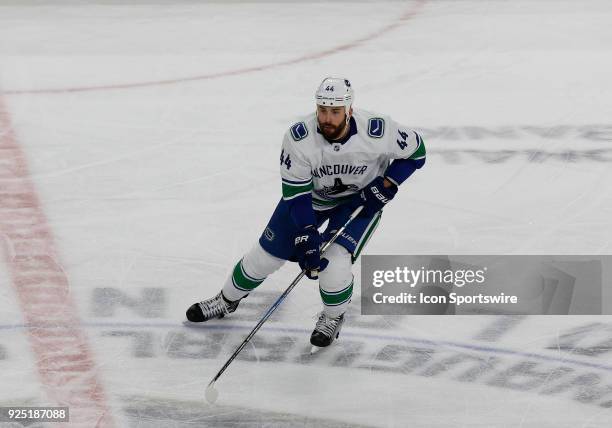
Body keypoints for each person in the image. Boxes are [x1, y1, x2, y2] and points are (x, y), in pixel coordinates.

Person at [186, 77, 426, 348]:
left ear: (349, 109)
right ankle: (226, 300)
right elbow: (297, 194)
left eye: (335, 112)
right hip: (311, 201)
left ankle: (333, 317)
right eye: (322, 110)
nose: (327, 118)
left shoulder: (378, 131)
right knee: (263, 257)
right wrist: (306, 232)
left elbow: (417, 152)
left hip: (359, 204)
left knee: (334, 264)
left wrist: (387, 183)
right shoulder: (299, 138)